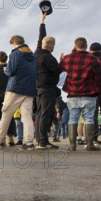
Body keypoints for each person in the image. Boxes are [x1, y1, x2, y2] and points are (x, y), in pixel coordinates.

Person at [0, 35, 37, 150]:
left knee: (6, 113)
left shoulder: (15, 53)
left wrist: (6, 70)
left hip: (15, 88)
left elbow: (11, 70)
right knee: (27, 117)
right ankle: (29, 143)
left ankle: (0, 140)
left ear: (14, 43)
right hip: (29, 89)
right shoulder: (33, 55)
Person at [60, 37, 101, 151]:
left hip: (72, 93)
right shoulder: (94, 60)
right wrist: (98, 92)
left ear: (75, 45)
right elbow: (99, 79)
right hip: (89, 94)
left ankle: (72, 145)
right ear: (86, 45)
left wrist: (70, 53)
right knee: (89, 118)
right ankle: (90, 144)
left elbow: (59, 71)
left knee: (72, 119)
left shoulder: (67, 59)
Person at [34, 12, 63, 150]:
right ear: (51, 45)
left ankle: (40, 138)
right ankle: (43, 141)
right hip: (47, 88)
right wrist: (62, 63)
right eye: (54, 44)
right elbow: (57, 70)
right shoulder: (48, 58)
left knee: (40, 114)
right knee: (46, 114)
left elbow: (41, 39)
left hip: (38, 88)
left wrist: (42, 22)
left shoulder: (37, 53)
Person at [0, 51, 17, 145]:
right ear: (6, 59)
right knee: (10, 116)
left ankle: (1, 138)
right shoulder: (11, 71)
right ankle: (10, 137)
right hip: (10, 95)